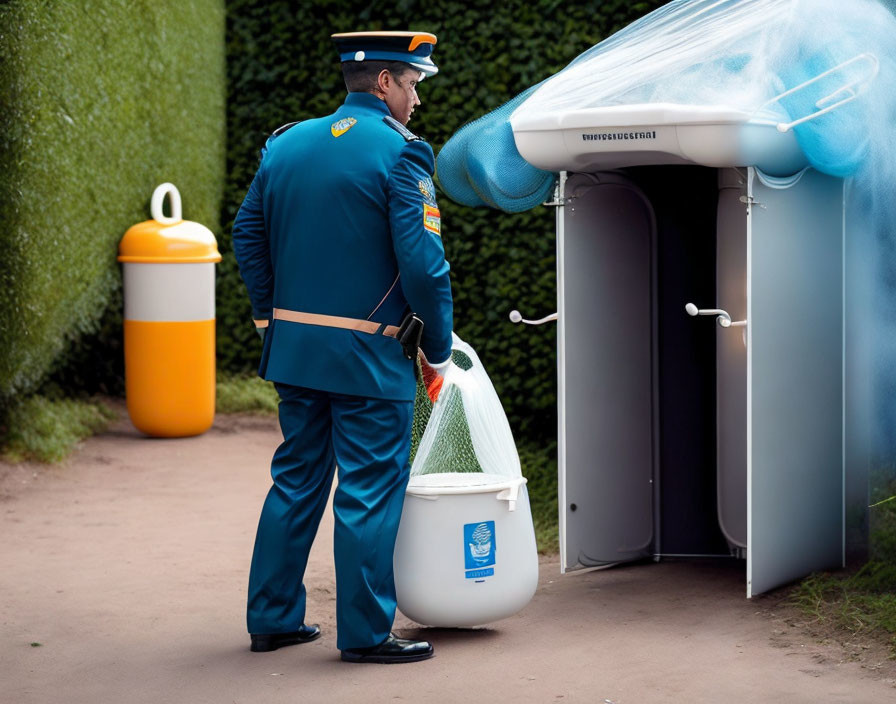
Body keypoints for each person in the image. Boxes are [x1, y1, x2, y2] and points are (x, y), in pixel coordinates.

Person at [230, 30, 453, 664]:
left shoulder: (286, 144)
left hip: (295, 353)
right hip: (370, 357)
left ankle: (271, 620)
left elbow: (248, 234)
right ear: (384, 83)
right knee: (368, 488)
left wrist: (268, 321)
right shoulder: (404, 153)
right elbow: (424, 266)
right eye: (411, 85)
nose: (416, 99)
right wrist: (436, 347)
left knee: (297, 480)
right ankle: (365, 634)